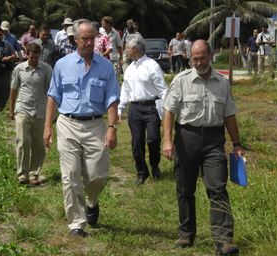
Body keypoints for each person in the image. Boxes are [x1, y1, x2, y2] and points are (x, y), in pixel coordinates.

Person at [162, 39, 244, 255]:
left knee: (217, 187)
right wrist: (168, 140)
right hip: (186, 138)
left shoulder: (222, 83)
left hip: (213, 141)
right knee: (185, 189)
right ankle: (186, 234)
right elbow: (169, 111)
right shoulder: (181, 80)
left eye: (202, 58)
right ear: (190, 58)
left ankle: (223, 240)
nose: (198, 62)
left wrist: (236, 144)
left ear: (210, 57)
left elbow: (229, 115)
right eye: (195, 59)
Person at [43, 20, 120, 237]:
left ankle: (92, 201)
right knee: (70, 175)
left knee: (97, 176)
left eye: (91, 38)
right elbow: (53, 96)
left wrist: (112, 127)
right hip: (67, 124)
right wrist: (48, 127)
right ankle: (76, 222)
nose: (88, 42)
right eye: (84, 38)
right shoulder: (62, 65)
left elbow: (112, 99)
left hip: (95, 125)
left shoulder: (105, 67)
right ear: (75, 40)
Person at [118, 37, 168, 185]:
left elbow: (163, 90)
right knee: (136, 142)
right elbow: (125, 89)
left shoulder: (152, 65)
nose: (126, 50)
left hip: (151, 107)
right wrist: (121, 108)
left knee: (153, 139)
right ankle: (142, 172)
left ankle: (154, 165)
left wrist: (166, 111)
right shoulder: (129, 68)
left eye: (128, 47)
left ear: (136, 49)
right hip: (135, 108)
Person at [9, 43, 52, 185]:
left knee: (39, 144)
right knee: (23, 140)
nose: (34, 59)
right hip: (22, 108)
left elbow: (51, 91)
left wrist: (52, 112)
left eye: (36, 57)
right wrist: (11, 108)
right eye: (31, 57)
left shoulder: (46, 69)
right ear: (27, 54)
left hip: (40, 111)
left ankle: (34, 173)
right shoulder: (19, 69)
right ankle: (22, 174)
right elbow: (14, 89)